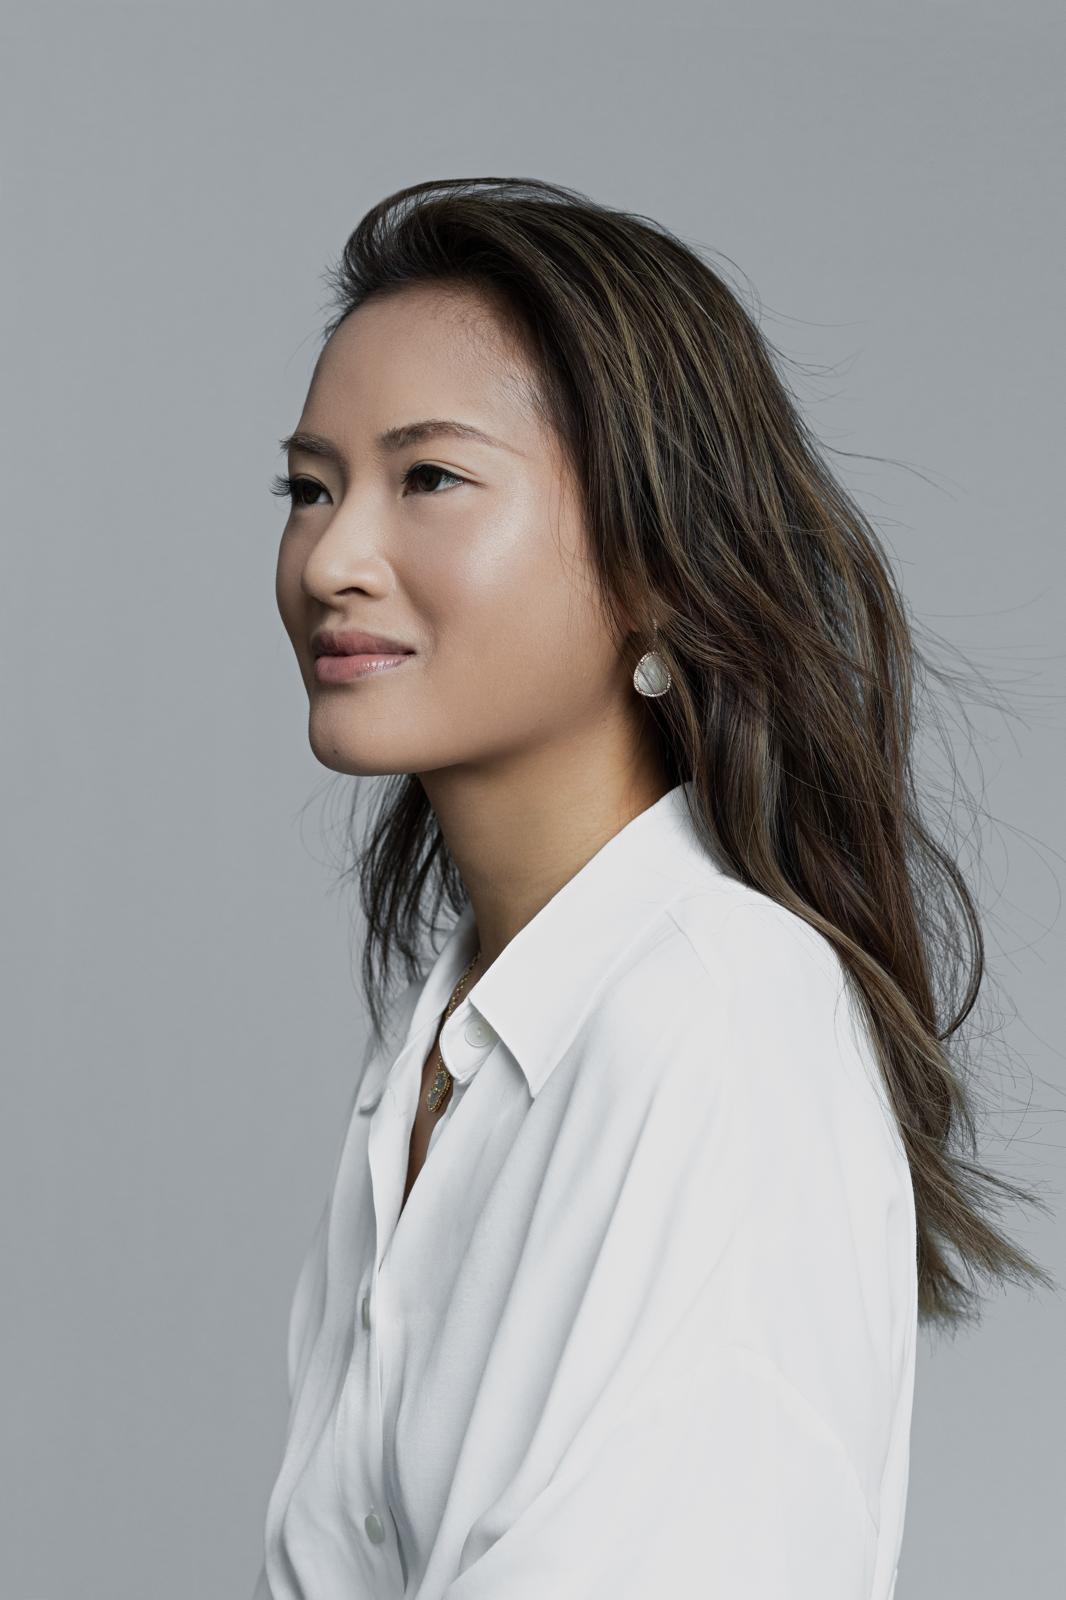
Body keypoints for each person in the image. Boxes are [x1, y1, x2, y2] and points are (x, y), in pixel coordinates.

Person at [252, 177, 1053, 1600]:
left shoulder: (717, 1019)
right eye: (310, 489)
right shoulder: (444, 1053)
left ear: (653, 562)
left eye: (428, 480)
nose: (333, 559)